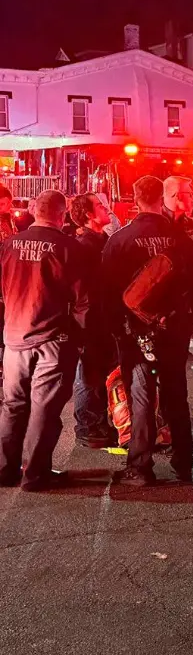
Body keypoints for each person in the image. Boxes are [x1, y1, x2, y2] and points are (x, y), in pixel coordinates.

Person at [102, 175, 193, 486]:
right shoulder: (180, 238)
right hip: (173, 327)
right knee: (176, 393)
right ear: (162, 198)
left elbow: (107, 290)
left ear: (135, 199)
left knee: (141, 397)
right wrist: (190, 319)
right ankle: (184, 461)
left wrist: (117, 329)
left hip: (134, 331)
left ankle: (141, 466)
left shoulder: (119, 240)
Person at [0, 190, 89, 491]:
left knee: (13, 405)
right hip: (53, 338)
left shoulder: (10, 244)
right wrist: (81, 339)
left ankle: (5, 470)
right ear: (62, 215)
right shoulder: (69, 247)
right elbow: (83, 300)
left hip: (15, 337)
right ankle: (35, 475)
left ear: (35, 211)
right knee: (44, 409)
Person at [68, 193, 116, 446]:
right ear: (88, 215)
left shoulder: (103, 240)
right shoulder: (83, 246)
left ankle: (100, 422)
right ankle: (87, 427)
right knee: (88, 375)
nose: (106, 208)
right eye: (99, 206)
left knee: (102, 373)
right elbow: (81, 290)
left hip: (104, 317)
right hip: (89, 320)